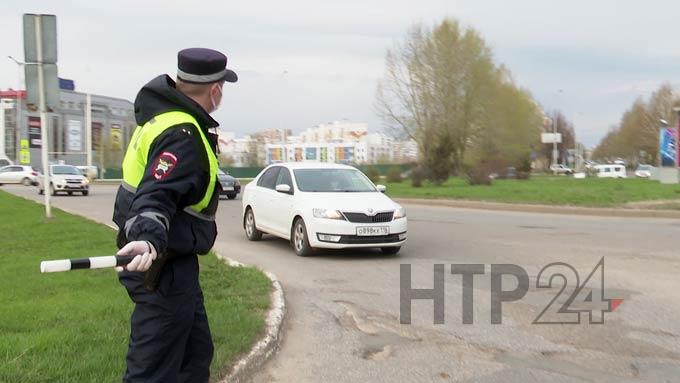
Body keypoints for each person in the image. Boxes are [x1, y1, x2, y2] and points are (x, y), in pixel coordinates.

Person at [112, 47, 237, 383]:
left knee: (194, 355)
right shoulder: (182, 134)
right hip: (158, 264)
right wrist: (146, 238)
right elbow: (156, 194)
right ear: (215, 90)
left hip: (173, 262)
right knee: (154, 369)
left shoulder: (163, 118)